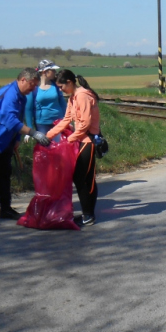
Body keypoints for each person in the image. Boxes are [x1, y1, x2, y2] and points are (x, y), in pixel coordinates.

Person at [0, 68, 51, 226]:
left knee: (4, 173)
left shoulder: (22, 96)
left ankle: (5, 208)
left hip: (4, 140)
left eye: (35, 85)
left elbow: (18, 118)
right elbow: (9, 119)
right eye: (32, 85)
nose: (33, 89)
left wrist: (17, 138)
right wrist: (33, 132)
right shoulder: (10, 94)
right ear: (23, 80)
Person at [46, 70, 102, 227]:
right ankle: (87, 214)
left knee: (82, 178)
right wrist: (48, 135)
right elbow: (66, 120)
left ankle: (88, 215)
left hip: (88, 142)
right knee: (83, 178)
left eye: (61, 86)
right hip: (81, 140)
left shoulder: (82, 96)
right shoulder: (73, 97)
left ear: (70, 82)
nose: (60, 89)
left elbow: (84, 124)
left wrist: (70, 139)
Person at [24, 59, 67, 142]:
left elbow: (62, 103)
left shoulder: (56, 85)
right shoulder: (34, 87)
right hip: (42, 124)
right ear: (44, 71)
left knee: (59, 148)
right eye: (52, 70)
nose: (55, 72)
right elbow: (28, 108)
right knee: (44, 149)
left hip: (58, 122)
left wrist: (67, 120)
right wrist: (29, 129)